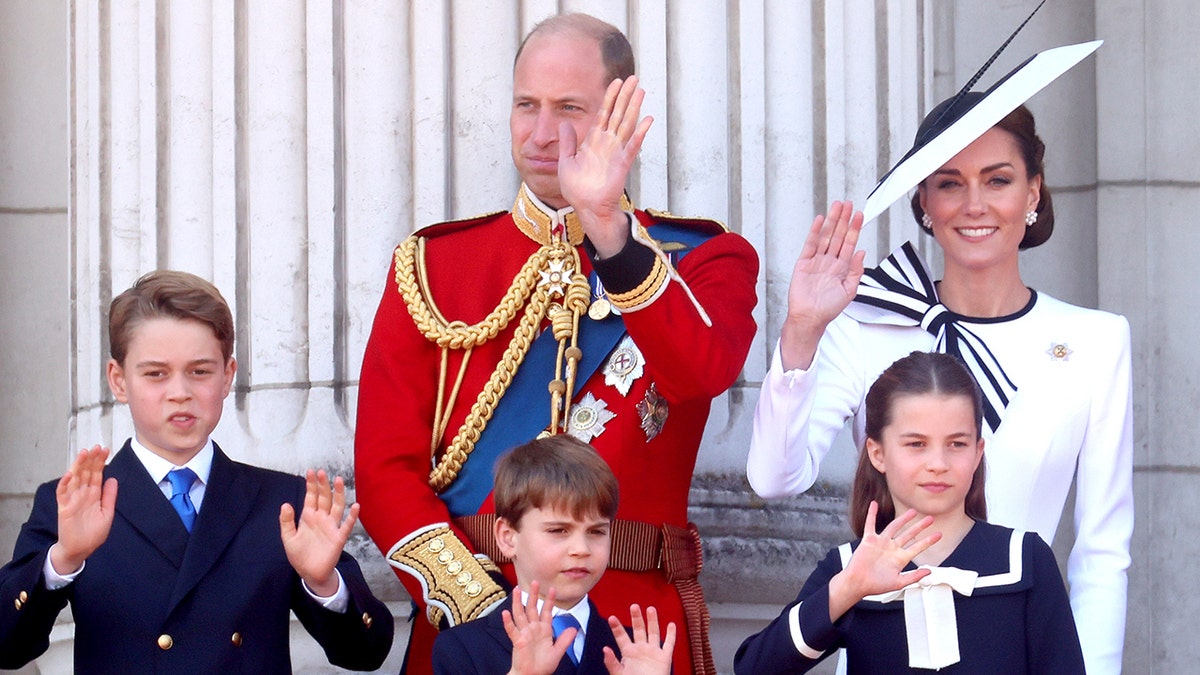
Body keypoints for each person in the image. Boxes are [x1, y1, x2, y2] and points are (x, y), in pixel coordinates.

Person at [355, 12, 758, 675]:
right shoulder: (432, 266)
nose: (543, 134)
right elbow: (384, 470)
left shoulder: (703, 260)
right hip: (473, 620)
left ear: (620, 116)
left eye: (570, 108)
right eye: (526, 106)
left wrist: (609, 234)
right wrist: (483, 609)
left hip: (636, 634)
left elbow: (698, 369)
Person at [746, 89, 1133, 671]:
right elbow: (775, 478)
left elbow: (1102, 553)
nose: (974, 204)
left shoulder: (1098, 341)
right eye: (950, 183)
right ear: (923, 200)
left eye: (997, 180)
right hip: (882, 644)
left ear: (1032, 193)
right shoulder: (864, 327)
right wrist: (802, 330)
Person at [0, 271, 393, 673]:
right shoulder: (71, 502)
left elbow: (367, 653)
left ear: (228, 375)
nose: (179, 392)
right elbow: (7, 647)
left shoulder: (282, 504)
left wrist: (324, 584)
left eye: (200, 371)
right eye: (156, 373)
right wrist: (61, 562)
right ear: (118, 380)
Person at [736, 351, 1085, 673]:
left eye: (957, 444)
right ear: (877, 453)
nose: (938, 464)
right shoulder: (849, 567)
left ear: (979, 452)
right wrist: (846, 591)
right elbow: (755, 668)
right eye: (916, 444)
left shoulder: (1025, 560)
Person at [431, 435, 674, 675]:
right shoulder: (463, 649)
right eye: (559, 530)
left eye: (596, 531)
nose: (581, 549)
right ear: (507, 536)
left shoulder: (639, 653)